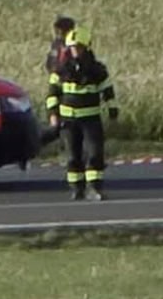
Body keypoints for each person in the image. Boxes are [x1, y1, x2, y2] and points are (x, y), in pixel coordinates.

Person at [45, 25, 117, 201]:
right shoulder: (61, 70)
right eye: (72, 47)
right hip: (68, 121)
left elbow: (107, 91)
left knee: (94, 154)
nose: (75, 51)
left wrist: (112, 111)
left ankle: (95, 188)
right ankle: (77, 189)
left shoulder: (97, 70)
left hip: (91, 119)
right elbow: (53, 93)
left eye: (78, 47)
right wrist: (53, 115)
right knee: (72, 156)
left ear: (86, 47)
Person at [40, 16, 74, 145]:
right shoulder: (58, 44)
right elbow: (51, 61)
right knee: (53, 106)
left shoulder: (70, 44)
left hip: (65, 83)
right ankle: (52, 131)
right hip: (58, 81)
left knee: (64, 118)